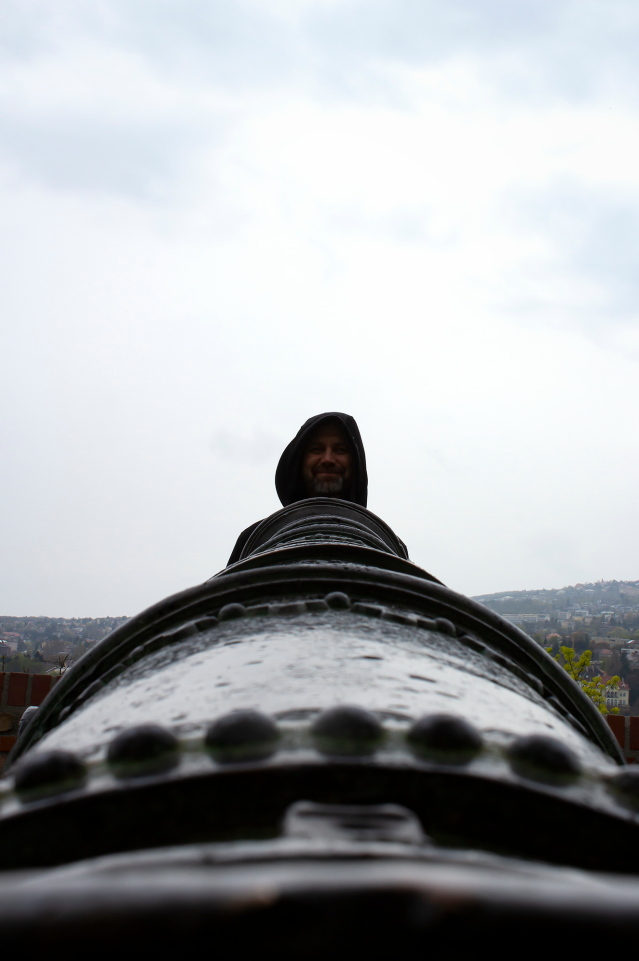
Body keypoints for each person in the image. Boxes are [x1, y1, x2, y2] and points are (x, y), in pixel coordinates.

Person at [227, 412, 368, 565]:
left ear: (355, 462)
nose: (328, 459)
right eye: (317, 449)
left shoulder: (379, 542)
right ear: (300, 461)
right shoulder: (255, 540)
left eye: (340, 450)